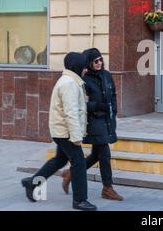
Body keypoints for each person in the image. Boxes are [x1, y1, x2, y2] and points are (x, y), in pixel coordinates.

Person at [21, 52, 97, 211]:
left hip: (61, 131)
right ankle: (80, 200)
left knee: (59, 160)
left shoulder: (70, 80)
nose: (86, 70)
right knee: (79, 163)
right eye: (84, 66)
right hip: (66, 133)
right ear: (77, 66)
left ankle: (32, 183)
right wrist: (76, 137)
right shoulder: (69, 83)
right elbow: (71, 113)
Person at [61, 48, 123, 201]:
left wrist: (113, 110)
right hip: (93, 121)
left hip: (107, 120)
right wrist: (96, 106)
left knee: (97, 154)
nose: (99, 63)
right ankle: (107, 188)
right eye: (96, 61)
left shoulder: (107, 75)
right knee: (105, 153)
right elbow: (81, 105)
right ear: (89, 63)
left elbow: (113, 95)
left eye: (101, 60)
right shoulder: (84, 80)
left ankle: (71, 173)